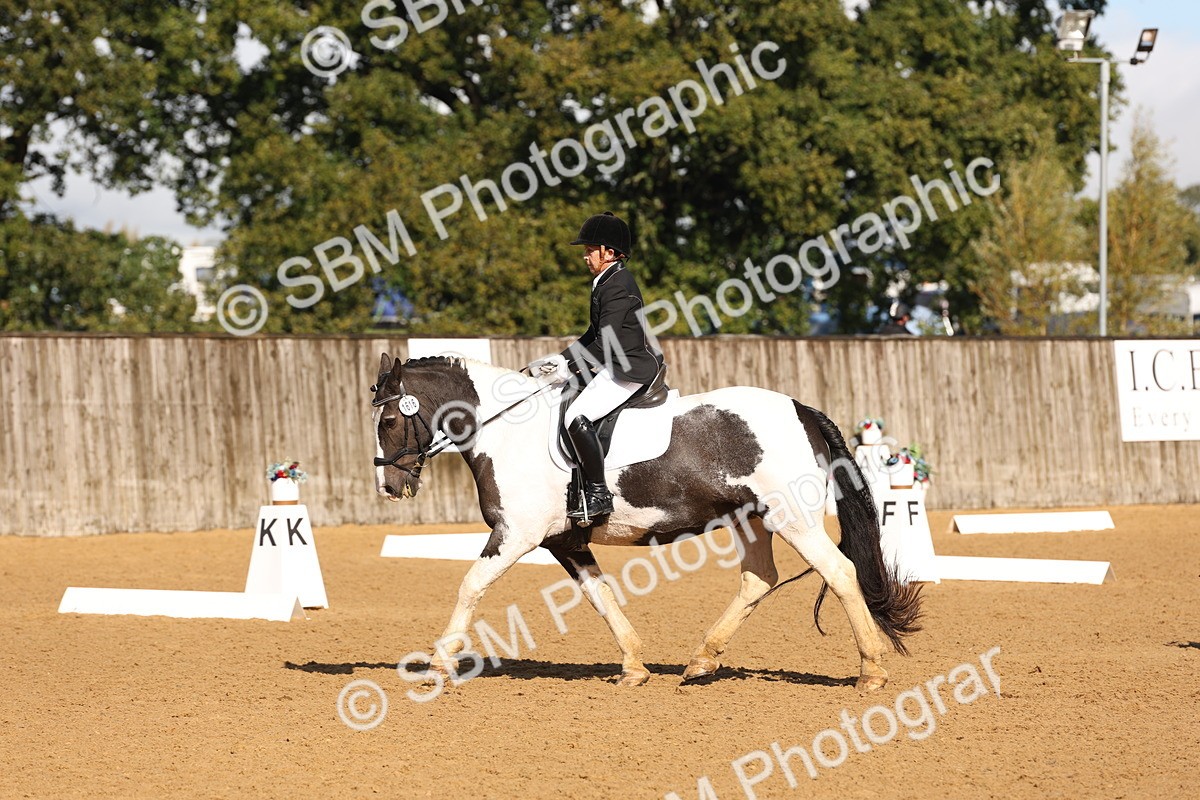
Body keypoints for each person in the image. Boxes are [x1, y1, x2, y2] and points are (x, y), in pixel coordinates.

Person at [529, 211, 664, 519]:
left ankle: (599, 493)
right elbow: (593, 334)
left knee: (576, 416)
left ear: (610, 252)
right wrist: (561, 359)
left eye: (590, 249)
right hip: (614, 365)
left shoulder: (617, 285)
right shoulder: (606, 281)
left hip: (629, 369)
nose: (585, 256)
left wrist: (571, 369)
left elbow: (606, 344)